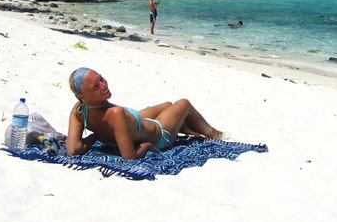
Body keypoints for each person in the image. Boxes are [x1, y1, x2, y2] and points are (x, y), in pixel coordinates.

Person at [66, 67, 224, 159]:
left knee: (167, 105)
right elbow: (129, 157)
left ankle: (187, 129)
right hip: (159, 134)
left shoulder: (79, 110)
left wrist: (97, 135)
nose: (104, 85)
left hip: (134, 124)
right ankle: (214, 133)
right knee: (183, 103)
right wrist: (147, 147)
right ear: (82, 96)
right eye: (96, 86)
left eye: (102, 78)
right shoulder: (115, 113)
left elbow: (74, 149)